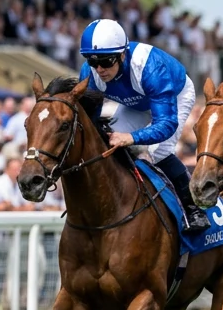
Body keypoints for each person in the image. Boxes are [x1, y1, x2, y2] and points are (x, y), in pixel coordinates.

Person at [78, 18, 210, 232]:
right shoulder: (90, 73)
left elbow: (166, 124)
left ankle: (193, 209)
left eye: (106, 61)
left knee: (159, 151)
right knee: (109, 148)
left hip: (175, 96)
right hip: (136, 103)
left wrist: (131, 138)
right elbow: (91, 123)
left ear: (122, 54)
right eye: (93, 61)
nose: (100, 69)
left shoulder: (149, 66)